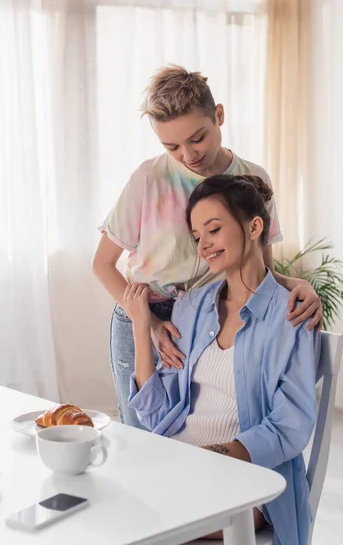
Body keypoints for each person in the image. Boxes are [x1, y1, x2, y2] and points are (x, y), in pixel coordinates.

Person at [92, 65, 322, 429]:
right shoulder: (148, 178)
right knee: (139, 432)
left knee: (198, 426)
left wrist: (298, 285)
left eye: (196, 138)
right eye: (171, 146)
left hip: (204, 318)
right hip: (142, 313)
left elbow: (262, 269)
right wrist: (149, 322)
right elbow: (102, 265)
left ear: (219, 116)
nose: (187, 154)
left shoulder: (253, 179)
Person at [126, 174, 318, 545]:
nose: (204, 245)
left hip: (250, 480)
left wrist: (209, 459)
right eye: (197, 237)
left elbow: (290, 424)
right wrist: (141, 324)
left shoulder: (292, 315)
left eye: (213, 230)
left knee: (141, 520)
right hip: (176, 463)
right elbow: (155, 413)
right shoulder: (192, 307)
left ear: (254, 226)